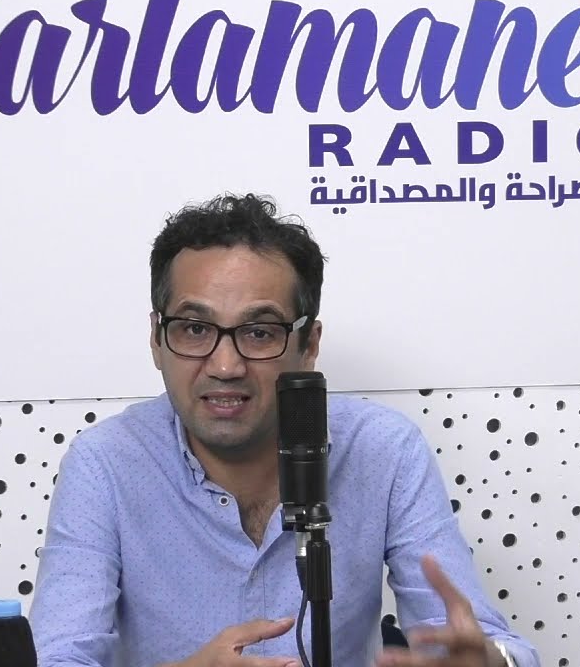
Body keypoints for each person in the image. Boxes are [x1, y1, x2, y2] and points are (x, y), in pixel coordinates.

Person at [30, 194, 540, 667]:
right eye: (195, 329)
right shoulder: (105, 463)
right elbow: (57, 658)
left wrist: (492, 662)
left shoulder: (383, 449)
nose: (225, 366)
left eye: (259, 332)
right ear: (156, 339)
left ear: (309, 344)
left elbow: (485, 642)